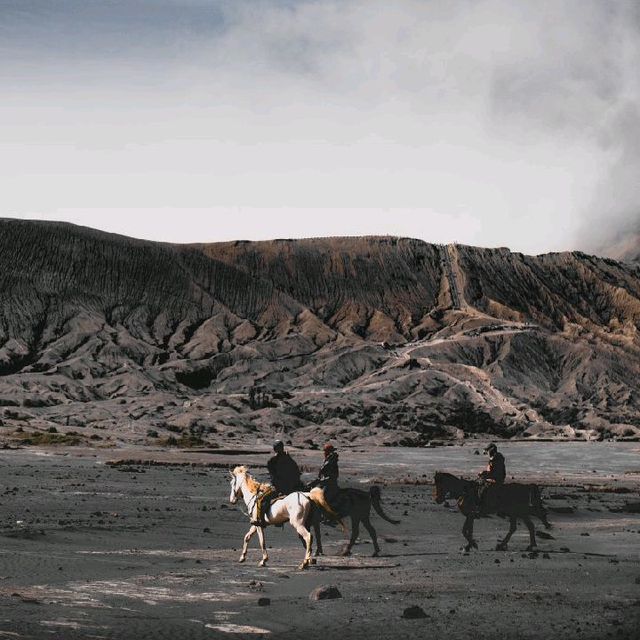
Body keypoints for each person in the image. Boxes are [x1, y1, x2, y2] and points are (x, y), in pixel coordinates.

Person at [255, 441, 302, 526]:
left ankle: (261, 521)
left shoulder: (272, 461)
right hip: (293, 487)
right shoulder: (290, 459)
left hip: (279, 488)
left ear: (274, 449)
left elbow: (273, 477)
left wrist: (276, 485)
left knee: (260, 499)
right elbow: (296, 473)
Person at [475, 442, 506, 512]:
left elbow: (496, 473)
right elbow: (491, 471)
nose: (487, 453)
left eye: (487, 451)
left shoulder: (497, 460)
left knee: (483, 490)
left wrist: (484, 474)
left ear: (491, 451)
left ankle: (483, 508)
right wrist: (484, 473)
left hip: (497, 480)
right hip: (493, 478)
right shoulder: (494, 459)